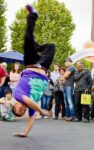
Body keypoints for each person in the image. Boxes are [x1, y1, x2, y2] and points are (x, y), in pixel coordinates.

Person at [12, 5, 56, 137]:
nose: (24, 109)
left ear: (15, 105)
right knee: (51, 46)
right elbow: (31, 119)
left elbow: (30, 102)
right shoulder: (30, 108)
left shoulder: (17, 95)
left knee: (27, 37)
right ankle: (35, 46)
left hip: (30, 63)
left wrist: (42, 111)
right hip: (43, 66)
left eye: (20, 109)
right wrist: (25, 133)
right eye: (23, 111)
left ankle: (33, 14)